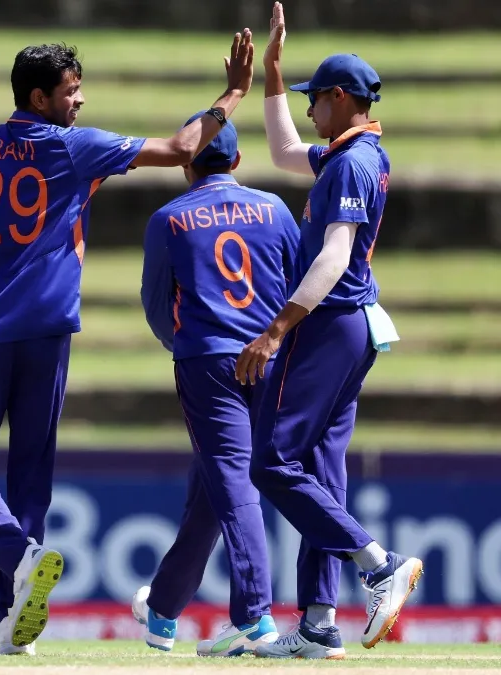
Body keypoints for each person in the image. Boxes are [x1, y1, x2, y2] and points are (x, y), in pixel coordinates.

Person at [0, 35, 256, 655]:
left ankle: (18, 579)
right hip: (48, 335)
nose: (81, 99)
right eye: (71, 90)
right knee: (30, 475)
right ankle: (15, 613)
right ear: (39, 97)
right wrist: (232, 95)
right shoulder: (73, 148)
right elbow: (182, 149)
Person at [236, 3, 423, 659]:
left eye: (314, 100)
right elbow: (285, 151)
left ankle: (379, 565)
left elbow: (334, 255)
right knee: (318, 468)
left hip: (329, 322)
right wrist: (273, 75)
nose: (311, 111)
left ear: (340, 98)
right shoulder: (354, 154)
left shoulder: (350, 164)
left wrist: (276, 329)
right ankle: (318, 623)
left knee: (271, 462)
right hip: (353, 325)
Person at [133, 112, 298, 657]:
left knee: (231, 480)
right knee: (214, 486)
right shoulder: (274, 209)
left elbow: (157, 304)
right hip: (270, 357)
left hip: (208, 363)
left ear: (186, 163)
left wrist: (183, 343)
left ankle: (253, 618)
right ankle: (162, 610)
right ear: (238, 160)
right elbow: (298, 285)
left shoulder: (168, 219)